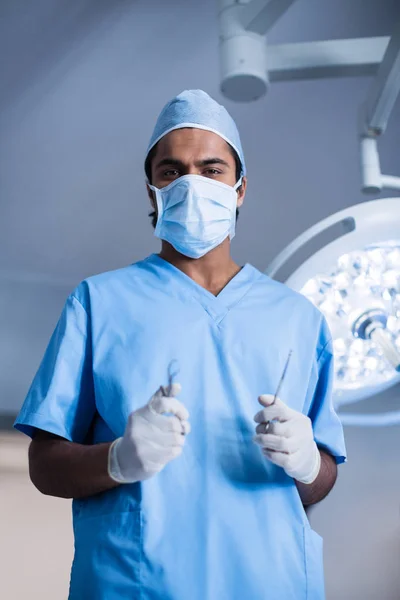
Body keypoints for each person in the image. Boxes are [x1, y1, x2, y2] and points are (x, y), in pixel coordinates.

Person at [15, 89, 347, 600]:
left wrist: (305, 462)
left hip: (269, 581)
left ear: (239, 189)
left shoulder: (298, 319)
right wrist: (118, 459)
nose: (192, 183)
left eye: (211, 170)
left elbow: (320, 481)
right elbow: (44, 464)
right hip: (138, 583)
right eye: (172, 171)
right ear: (152, 191)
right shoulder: (99, 302)